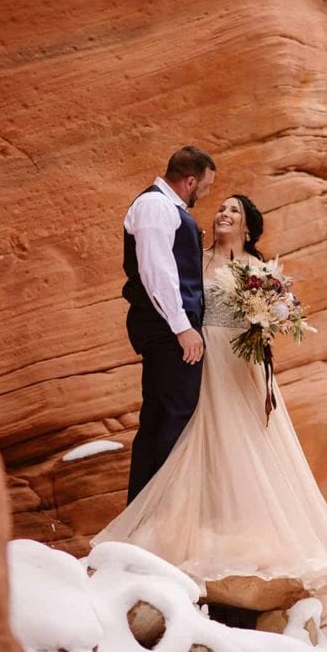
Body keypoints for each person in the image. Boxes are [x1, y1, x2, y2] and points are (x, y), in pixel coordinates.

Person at [97, 194, 327, 640]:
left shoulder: (260, 269)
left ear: (247, 227)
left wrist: (269, 319)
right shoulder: (196, 256)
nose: (223, 215)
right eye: (221, 209)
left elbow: (274, 320)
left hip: (242, 369)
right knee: (197, 442)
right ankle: (188, 544)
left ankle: (246, 552)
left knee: (249, 453)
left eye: (234, 211)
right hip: (202, 360)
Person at [122, 146, 216, 502]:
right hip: (167, 330)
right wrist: (182, 327)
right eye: (204, 187)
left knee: (163, 417)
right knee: (175, 417)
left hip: (167, 327)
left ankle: (144, 515)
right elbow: (156, 272)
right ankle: (159, 514)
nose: (203, 195)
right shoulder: (155, 207)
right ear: (190, 181)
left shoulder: (164, 207)